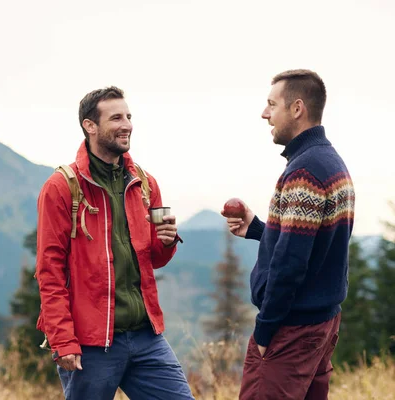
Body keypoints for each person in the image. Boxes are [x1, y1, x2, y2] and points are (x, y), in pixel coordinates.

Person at [35, 86, 194, 400]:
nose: (127, 125)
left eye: (129, 117)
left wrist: (166, 241)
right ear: (90, 126)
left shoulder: (144, 183)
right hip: (92, 344)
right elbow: (49, 272)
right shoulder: (62, 187)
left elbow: (154, 260)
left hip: (147, 337)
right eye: (116, 118)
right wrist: (63, 339)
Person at [222, 69, 355, 400]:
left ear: (297, 108)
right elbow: (314, 244)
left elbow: (291, 263)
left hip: (290, 331)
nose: (265, 113)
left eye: (271, 104)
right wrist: (257, 229)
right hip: (322, 324)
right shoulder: (332, 163)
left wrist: (266, 330)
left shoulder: (304, 172)